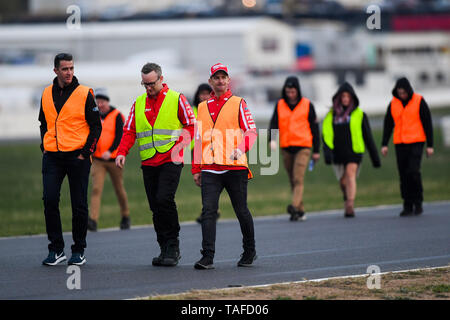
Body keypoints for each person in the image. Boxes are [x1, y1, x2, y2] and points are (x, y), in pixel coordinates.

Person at [115, 62, 195, 267]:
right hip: (149, 161)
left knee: (164, 199)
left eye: (151, 83)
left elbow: (192, 125)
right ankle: (163, 247)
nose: (148, 88)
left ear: (161, 79)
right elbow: (130, 130)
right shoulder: (139, 103)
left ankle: (173, 246)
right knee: (155, 205)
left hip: (171, 159)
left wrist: (180, 146)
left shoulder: (177, 99)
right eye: (144, 84)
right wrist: (122, 152)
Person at [192, 63, 258, 269]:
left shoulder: (239, 103)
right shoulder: (202, 107)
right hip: (210, 169)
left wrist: (241, 149)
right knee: (208, 212)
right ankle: (208, 256)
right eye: (216, 77)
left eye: (223, 77)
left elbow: (251, 132)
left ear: (228, 80)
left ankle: (249, 251)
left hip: (234, 167)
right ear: (211, 81)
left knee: (241, 210)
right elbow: (198, 139)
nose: (220, 81)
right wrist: (196, 169)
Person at [39, 53, 102, 266]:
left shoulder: (84, 93)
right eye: (65, 69)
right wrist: (44, 147)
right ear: (55, 70)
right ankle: (56, 249)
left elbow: (96, 126)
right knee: (49, 200)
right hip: (52, 157)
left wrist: (86, 152)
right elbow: (43, 123)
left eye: (72, 68)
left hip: (77, 157)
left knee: (79, 204)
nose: (69, 73)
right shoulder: (46, 93)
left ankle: (79, 249)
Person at [322, 82, 380, 218]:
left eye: (348, 96)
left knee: (350, 174)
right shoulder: (331, 116)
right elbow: (326, 135)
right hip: (338, 152)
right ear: (339, 98)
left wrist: (374, 157)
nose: (345, 99)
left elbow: (368, 136)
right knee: (343, 182)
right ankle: (346, 196)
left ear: (352, 97)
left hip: (354, 151)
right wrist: (327, 153)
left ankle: (350, 205)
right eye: (343, 96)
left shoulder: (359, 114)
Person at [268, 76, 320, 221]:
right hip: (286, 147)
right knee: (292, 179)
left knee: (298, 178)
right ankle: (300, 211)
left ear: (298, 91)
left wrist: (316, 150)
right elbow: (274, 123)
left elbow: (315, 129)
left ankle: (294, 206)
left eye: (293, 91)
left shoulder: (307, 105)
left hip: (303, 146)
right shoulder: (279, 105)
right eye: (288, 91)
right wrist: (271, 139)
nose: (291, 94)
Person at [381, 77, 434, 216]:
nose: (402, 95)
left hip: (416, 142)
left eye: (404, 92)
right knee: (403, 175)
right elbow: (388, 124)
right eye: (399, 92)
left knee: (413, 171)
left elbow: (427, 122)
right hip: (400, 143)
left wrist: (430, 145)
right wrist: (384, 144)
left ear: (408, 91)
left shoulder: (419, 101)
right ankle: (407, 204)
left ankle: (418, 202)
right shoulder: (393, 104)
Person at [87, 88, 130, 232]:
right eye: (97, 102)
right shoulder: (94, 115)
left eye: (102, 102)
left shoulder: (117, 115)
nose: (100, 105)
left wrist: (111, 151)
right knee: (96, 189)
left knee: (119, 189)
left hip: (114, 160)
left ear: (107, 102)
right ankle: (92, 220)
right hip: (98, 160)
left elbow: (120, 136)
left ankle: (125, 216)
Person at [191, 83, 221, 224]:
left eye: (206, 94)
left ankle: (209, 210)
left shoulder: (213, 109)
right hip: (195, 149)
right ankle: (210, 209)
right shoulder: (192, 111)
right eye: (201, 94)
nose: (204, 96)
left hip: (211, 148)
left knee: (210, 181)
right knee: (203, 182)